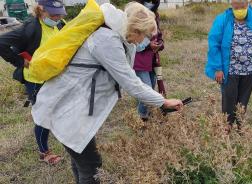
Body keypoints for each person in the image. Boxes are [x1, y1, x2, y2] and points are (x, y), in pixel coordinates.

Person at [31, 2, 183, 183]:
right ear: (135, 29)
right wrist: (163, 101)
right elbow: (130, 82)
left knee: (81, 159)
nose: (144, 40)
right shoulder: (107, 39)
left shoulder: (115, 36)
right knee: (92, 167)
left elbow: (127, 73)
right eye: (144, 35)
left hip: (75, 106)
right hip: (70, 108)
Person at [0, 0, 67, 165]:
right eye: (53, 14)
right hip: (36, 80)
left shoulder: (60, 24)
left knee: (56, 111)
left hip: (55, 77)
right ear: (41, 10)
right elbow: (1, 43)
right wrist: (19, 61)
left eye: (60, 13)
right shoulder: (30, 28)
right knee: (43, 116)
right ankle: (44, 152)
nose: (57, 17)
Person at [205, 0, 252, 133]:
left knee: (243, 99)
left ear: (248, 3)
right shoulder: (222, 20)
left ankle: (241, 126)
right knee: (229, 98)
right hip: (230, 70)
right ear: (231, 4)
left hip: (250, 70)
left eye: (243, 6)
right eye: (236, 6)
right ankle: (227, 126)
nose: (239, 8)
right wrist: (217, 68)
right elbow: (214, 44)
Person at [133, 0, 166, 121]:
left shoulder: (155, 14)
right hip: (139, 61)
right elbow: (133, 41)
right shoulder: (136, 13)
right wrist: (148, 45)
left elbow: (159, 35)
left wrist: (160, 44)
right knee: (145, 90)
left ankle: (145, 113)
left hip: (153, 61)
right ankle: (142, 118)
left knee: (150, 89)